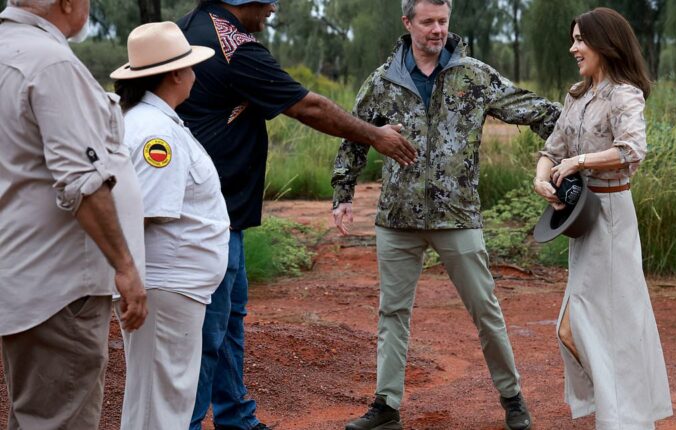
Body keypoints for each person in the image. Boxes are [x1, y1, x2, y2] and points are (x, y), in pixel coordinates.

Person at [176, 1, 418, 429]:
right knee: (207, 334)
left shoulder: (186, 28)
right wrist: (375, 135)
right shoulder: (236, 48)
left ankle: (236, 418)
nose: (270, 10)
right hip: (209, 217)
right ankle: (187, 423)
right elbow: (309, 107)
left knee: (228, 322)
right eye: (264, 3)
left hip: (212, 212)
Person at [331, 1, 561, 429]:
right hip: (397, 219)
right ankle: (386, 406)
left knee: (485, 310)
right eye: (428, 22)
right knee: (392, 313)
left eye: (443, 21)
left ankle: (512, 399)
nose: (437, 30)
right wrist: (343, 192)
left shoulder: (473, 75)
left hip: (457, 217)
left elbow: (534, 110)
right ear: (407, 23)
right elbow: (353, 135)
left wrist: (580, 141)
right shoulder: (384, 81)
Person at [0, 0, 148, 428]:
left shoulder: (10, 51)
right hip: (59, 287)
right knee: (59, 417)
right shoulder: (50, 64)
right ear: (67, 2)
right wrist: (125, 266)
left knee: (34, 414)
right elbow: (82, 181)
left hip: (21, 273)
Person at [533, 7, 673, 429]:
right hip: (581, 219)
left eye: (581, 39)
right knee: (574, 328)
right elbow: (551, 148)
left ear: (605, 44)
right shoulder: (576, 95)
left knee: (607, 326)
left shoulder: (624, 94)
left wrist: (578, 162)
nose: (574, 47)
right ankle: (619, 411)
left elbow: (633, 150)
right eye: (573, 38)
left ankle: (622, 420)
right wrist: (543, 176)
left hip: (611, 217)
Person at [110, 21, 229, 429]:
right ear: (175, 74)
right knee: (159, 406)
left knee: (162, 400)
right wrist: (134, 282)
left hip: (170, 287)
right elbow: (142, 212)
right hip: (164, 286)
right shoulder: (155, 132)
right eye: (191, 66)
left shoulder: (154, 121)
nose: (196, 75)